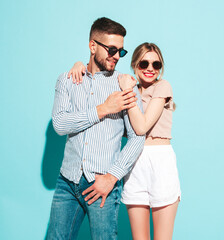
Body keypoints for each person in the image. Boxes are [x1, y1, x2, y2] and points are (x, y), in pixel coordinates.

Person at [70, 42, 181, 240]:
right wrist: (80, 66)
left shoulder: (162, 86)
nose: (150, 69)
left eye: (156, 65)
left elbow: (141, 127)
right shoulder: (127, 87)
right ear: (135, 64)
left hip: (160, 162)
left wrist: (128, 91)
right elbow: (98, 83)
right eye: (144, 63)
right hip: (134, 163)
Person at [47, 17, 145, 240]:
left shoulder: (125, 85)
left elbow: (138, 137)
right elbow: (60, 125)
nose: (116, 56)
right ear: (93, 46)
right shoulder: (68, 80)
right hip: (67, 182)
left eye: (121, 51)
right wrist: (102, 109)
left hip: (103, 184)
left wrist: (112, 177)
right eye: (111, 49)